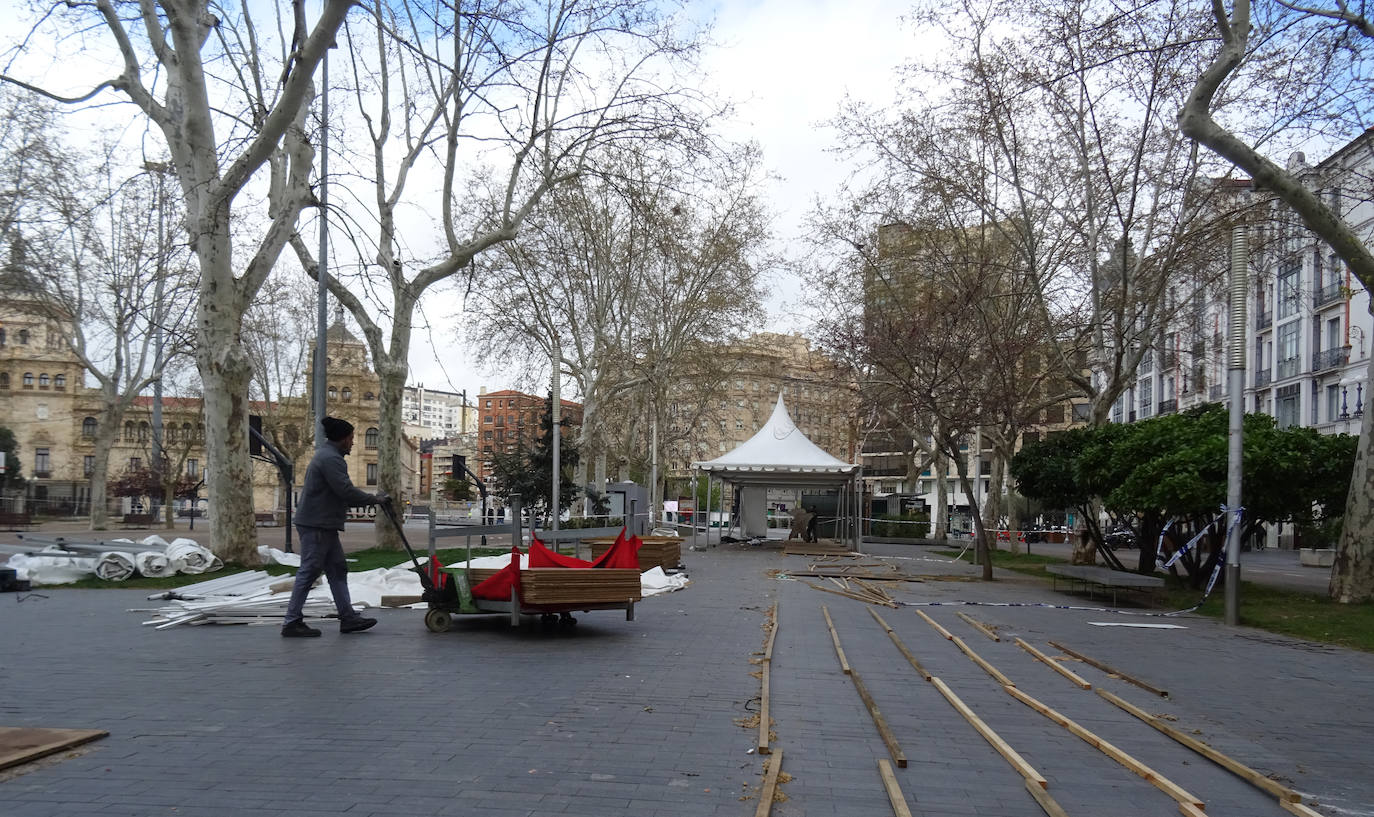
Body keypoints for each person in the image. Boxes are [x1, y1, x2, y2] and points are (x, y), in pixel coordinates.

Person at [281, 416, 388, 638]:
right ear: (342, 439)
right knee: (309, 571)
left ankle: (347, 618)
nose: (353, 443)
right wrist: (375, 500)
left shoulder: (329, 455)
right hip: (317, 524)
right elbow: (345, 491)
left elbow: (341, 492)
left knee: (337, 569)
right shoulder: (331, 459)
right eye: (350, 438)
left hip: (323, 524)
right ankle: (292, 621)